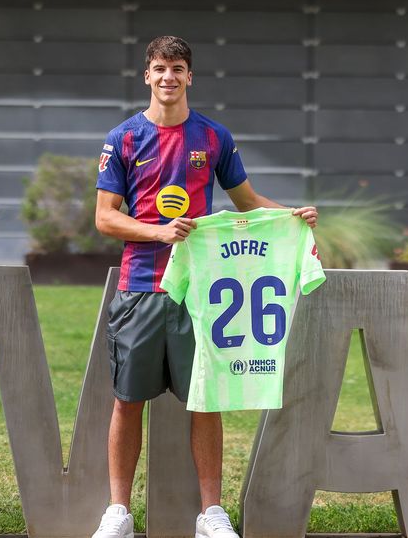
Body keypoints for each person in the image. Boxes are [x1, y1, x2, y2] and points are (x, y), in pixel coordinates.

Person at [91, 35, 317, 538]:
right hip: (143, 285)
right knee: (128, 400)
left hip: (203, 288)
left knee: (206, 399)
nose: (167, 77)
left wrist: (293, 218)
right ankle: (118, 514)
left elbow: (248, 202)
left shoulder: (213, 137)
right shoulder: (123, 138)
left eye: (177, 68)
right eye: (158, 68)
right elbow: (106, 219)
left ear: (189, 77)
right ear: (146, 76)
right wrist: (157, 232)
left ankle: (210, 515)